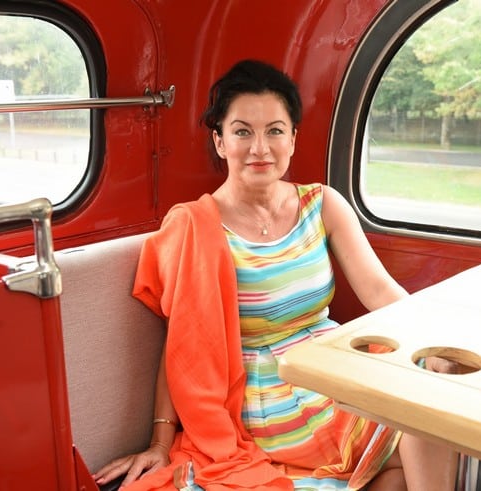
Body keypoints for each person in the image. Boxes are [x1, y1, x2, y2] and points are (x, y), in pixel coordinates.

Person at [93, 59, 458, 490]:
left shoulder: (323, 204)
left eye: (275, 131)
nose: (260, 148)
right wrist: (160, 440)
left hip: (334, 364)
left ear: (293, 139)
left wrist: (439, 344)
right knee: (417, 435)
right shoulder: (194, 226)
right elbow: (184, 348)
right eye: (242, 131)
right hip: (268, 395)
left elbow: (380, 291)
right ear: (220, 141)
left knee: (429, 395)